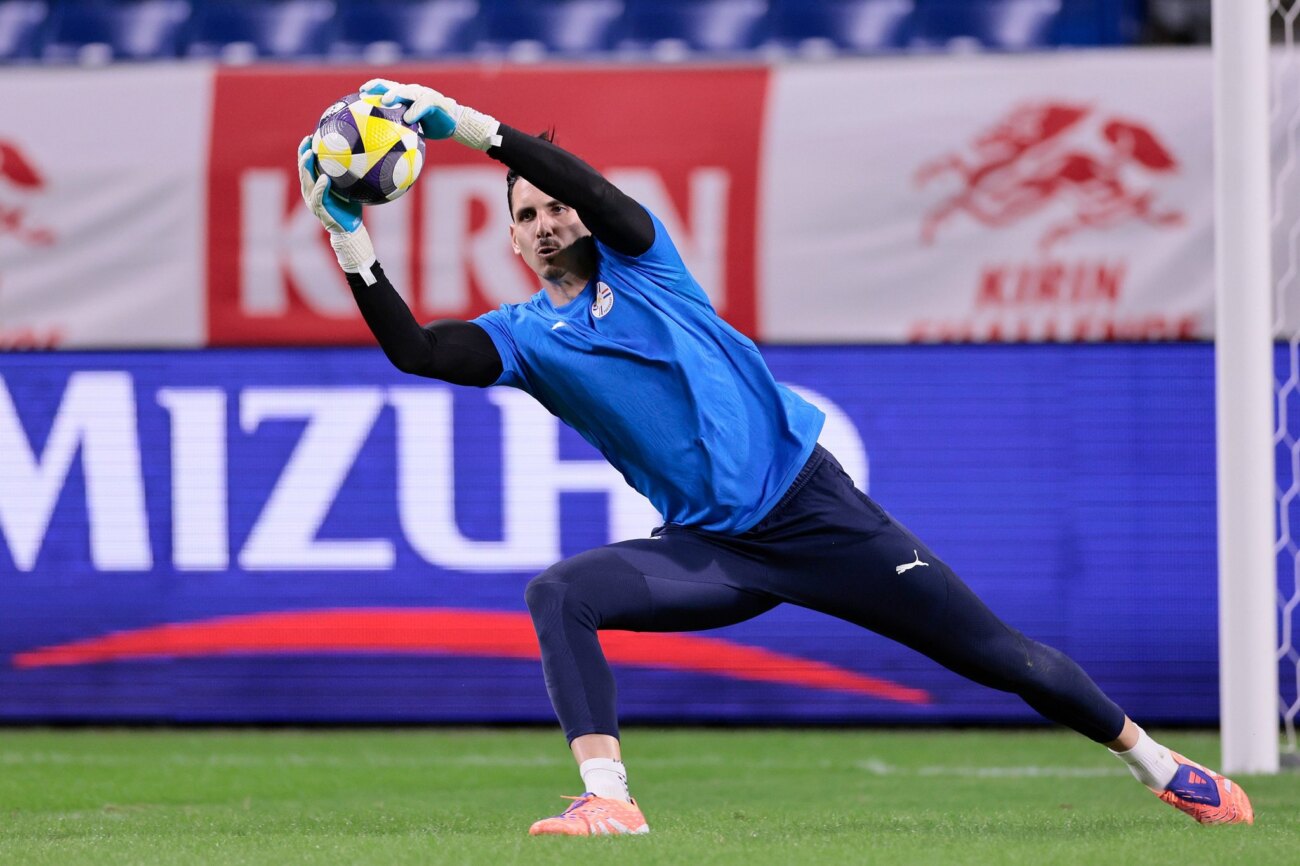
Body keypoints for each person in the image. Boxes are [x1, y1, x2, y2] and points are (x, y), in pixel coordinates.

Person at [296, 79, 1254, 835]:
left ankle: (1161, 766)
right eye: (528, 215)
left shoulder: (644, 260)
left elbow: (597, 190)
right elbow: (418, 351)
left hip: (818, 516)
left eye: (557, 207)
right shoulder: (522, 338)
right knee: (560, 593)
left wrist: (469, 125)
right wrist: (346, 235)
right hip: (713, 551)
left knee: (1000, 657)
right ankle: (610, 801)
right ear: (508, 237)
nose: (549, 222)